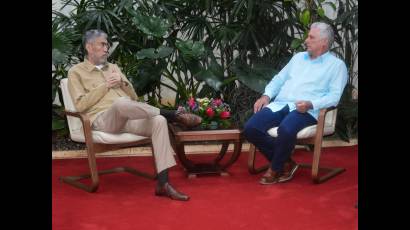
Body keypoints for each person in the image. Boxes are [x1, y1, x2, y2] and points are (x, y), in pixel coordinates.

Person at [67, 29, 202, 201]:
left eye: (107, 44)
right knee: (120, 103)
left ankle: (163, 183)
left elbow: (133, 98)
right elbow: (80, 105)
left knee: (158, 121)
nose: (107, 48)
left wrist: (122, 82)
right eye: (102, 44)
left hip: (127, 117)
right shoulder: (76, 72)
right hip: (101, 120)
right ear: (89, 47)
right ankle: (173, 114)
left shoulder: (113, 67)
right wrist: (105, 86)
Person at [243, 22, 348, 185]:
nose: (306, 40)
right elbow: (279, 79)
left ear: (324, 43)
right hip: (280, 104)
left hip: (306, 111)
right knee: (250, 128)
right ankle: (287, 162)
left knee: (286, 129)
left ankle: (275, 168)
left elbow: (334, 97)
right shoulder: (298, 58)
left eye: (311, 37)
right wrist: (266, 96)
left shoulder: (337, 66)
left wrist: (311, 103)